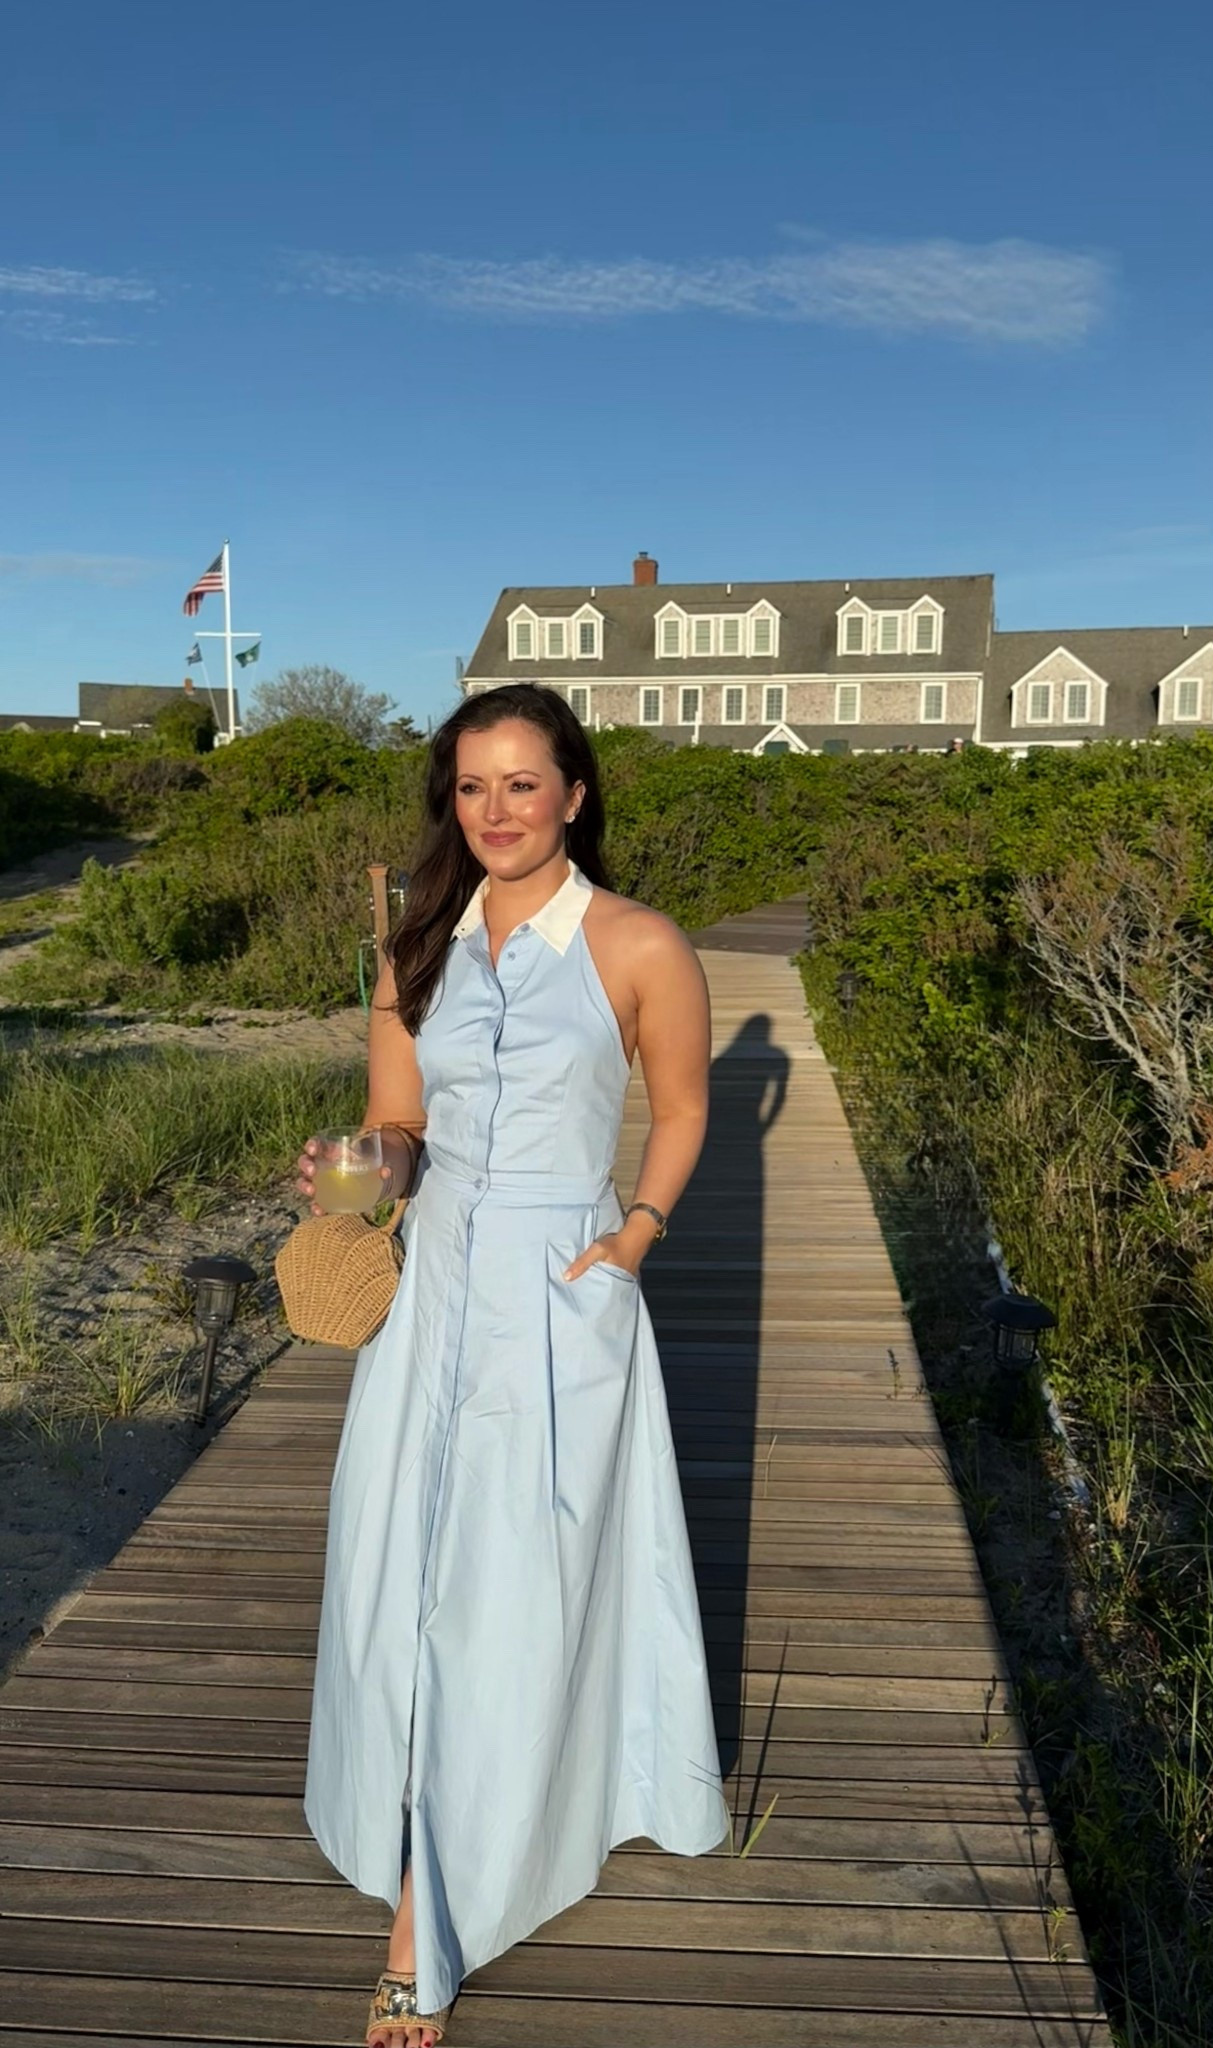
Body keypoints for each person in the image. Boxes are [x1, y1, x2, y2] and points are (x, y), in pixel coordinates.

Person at [297, 683, 732, 2045]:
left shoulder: (638, 941)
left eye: (522, 782)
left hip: (560, 1284)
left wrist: (637, 1234)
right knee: (408, 1569)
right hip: (430, 1290)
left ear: (574, 793)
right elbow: (402, 1123)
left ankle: (433, 1905)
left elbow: (684, 1105)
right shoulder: (414, 946)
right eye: (472, 786)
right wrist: (360, 1170)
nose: (496, 810)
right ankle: (410, 1819)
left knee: (518, 1578)